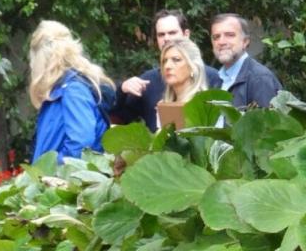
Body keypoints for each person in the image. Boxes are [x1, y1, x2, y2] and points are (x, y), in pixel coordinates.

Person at [114, 9, 222, 132]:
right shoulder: (147, 81)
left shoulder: (213, 77)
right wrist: (122, 90)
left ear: (186, 34)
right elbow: (119, 117)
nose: (166, 39)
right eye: (161, 34)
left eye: (172, 33)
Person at [28, 20, 114, 163]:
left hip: (63, 182)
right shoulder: (63, 89)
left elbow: (81, 144)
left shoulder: (73, 90)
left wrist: (53, 172)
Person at [209, 13, 282, 108]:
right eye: (216, 37)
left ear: (245, 42)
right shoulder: (215, 79)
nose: (221, 42)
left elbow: (267, 121)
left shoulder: (259, 79)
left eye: (230, 35)